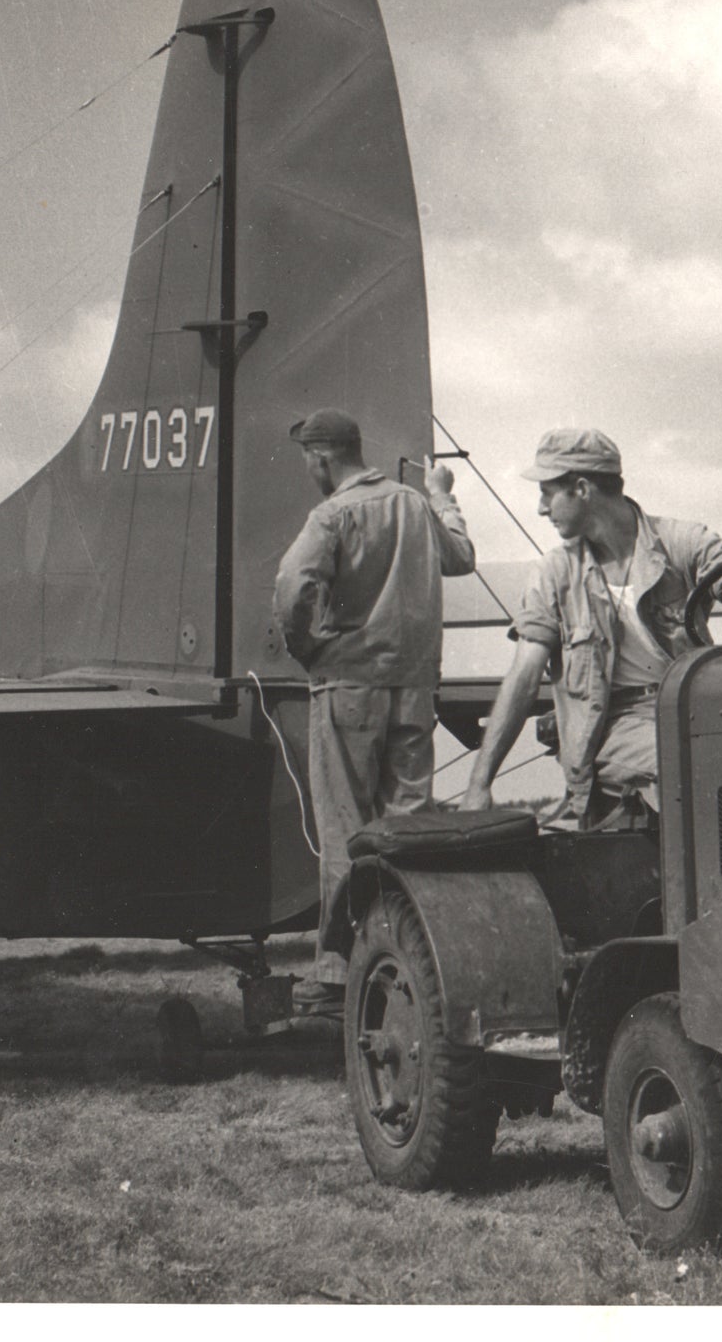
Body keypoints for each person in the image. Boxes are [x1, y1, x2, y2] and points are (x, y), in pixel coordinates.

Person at [458, 427, 722, 825]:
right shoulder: (555, 574)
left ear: (581, 489)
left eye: (547, 493)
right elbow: (524, 678)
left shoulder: (682, 543)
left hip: (697, 707)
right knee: (693, 763)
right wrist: (479, 785)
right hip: (612, 725)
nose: (542, 509)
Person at [272, 409, 476, 1016]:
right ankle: (413, 959)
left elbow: (292, 584)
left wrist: (310, 648)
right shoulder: (415, 507)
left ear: (320, 457)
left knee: (345, 827)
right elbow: (461, 557)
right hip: (414, 686)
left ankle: (338, 977)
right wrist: (443, 499)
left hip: (350, 685)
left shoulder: (332, 514)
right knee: (407, 826)